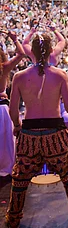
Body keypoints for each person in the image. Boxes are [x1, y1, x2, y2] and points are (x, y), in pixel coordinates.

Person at [5, 33, 68, 228]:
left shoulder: (20, 76)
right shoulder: (59, 75)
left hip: (29, 134)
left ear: (30, 52)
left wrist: (17, 125)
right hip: (55, 134)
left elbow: (13, 109)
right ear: (52, 51)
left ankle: (14, 218)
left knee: (21, 177)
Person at [0, 30, 25, 177]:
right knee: (6, 141)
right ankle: (7, 166)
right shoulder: (4, 67)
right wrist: (14, 39)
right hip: (2, 108)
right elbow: (21, 54)